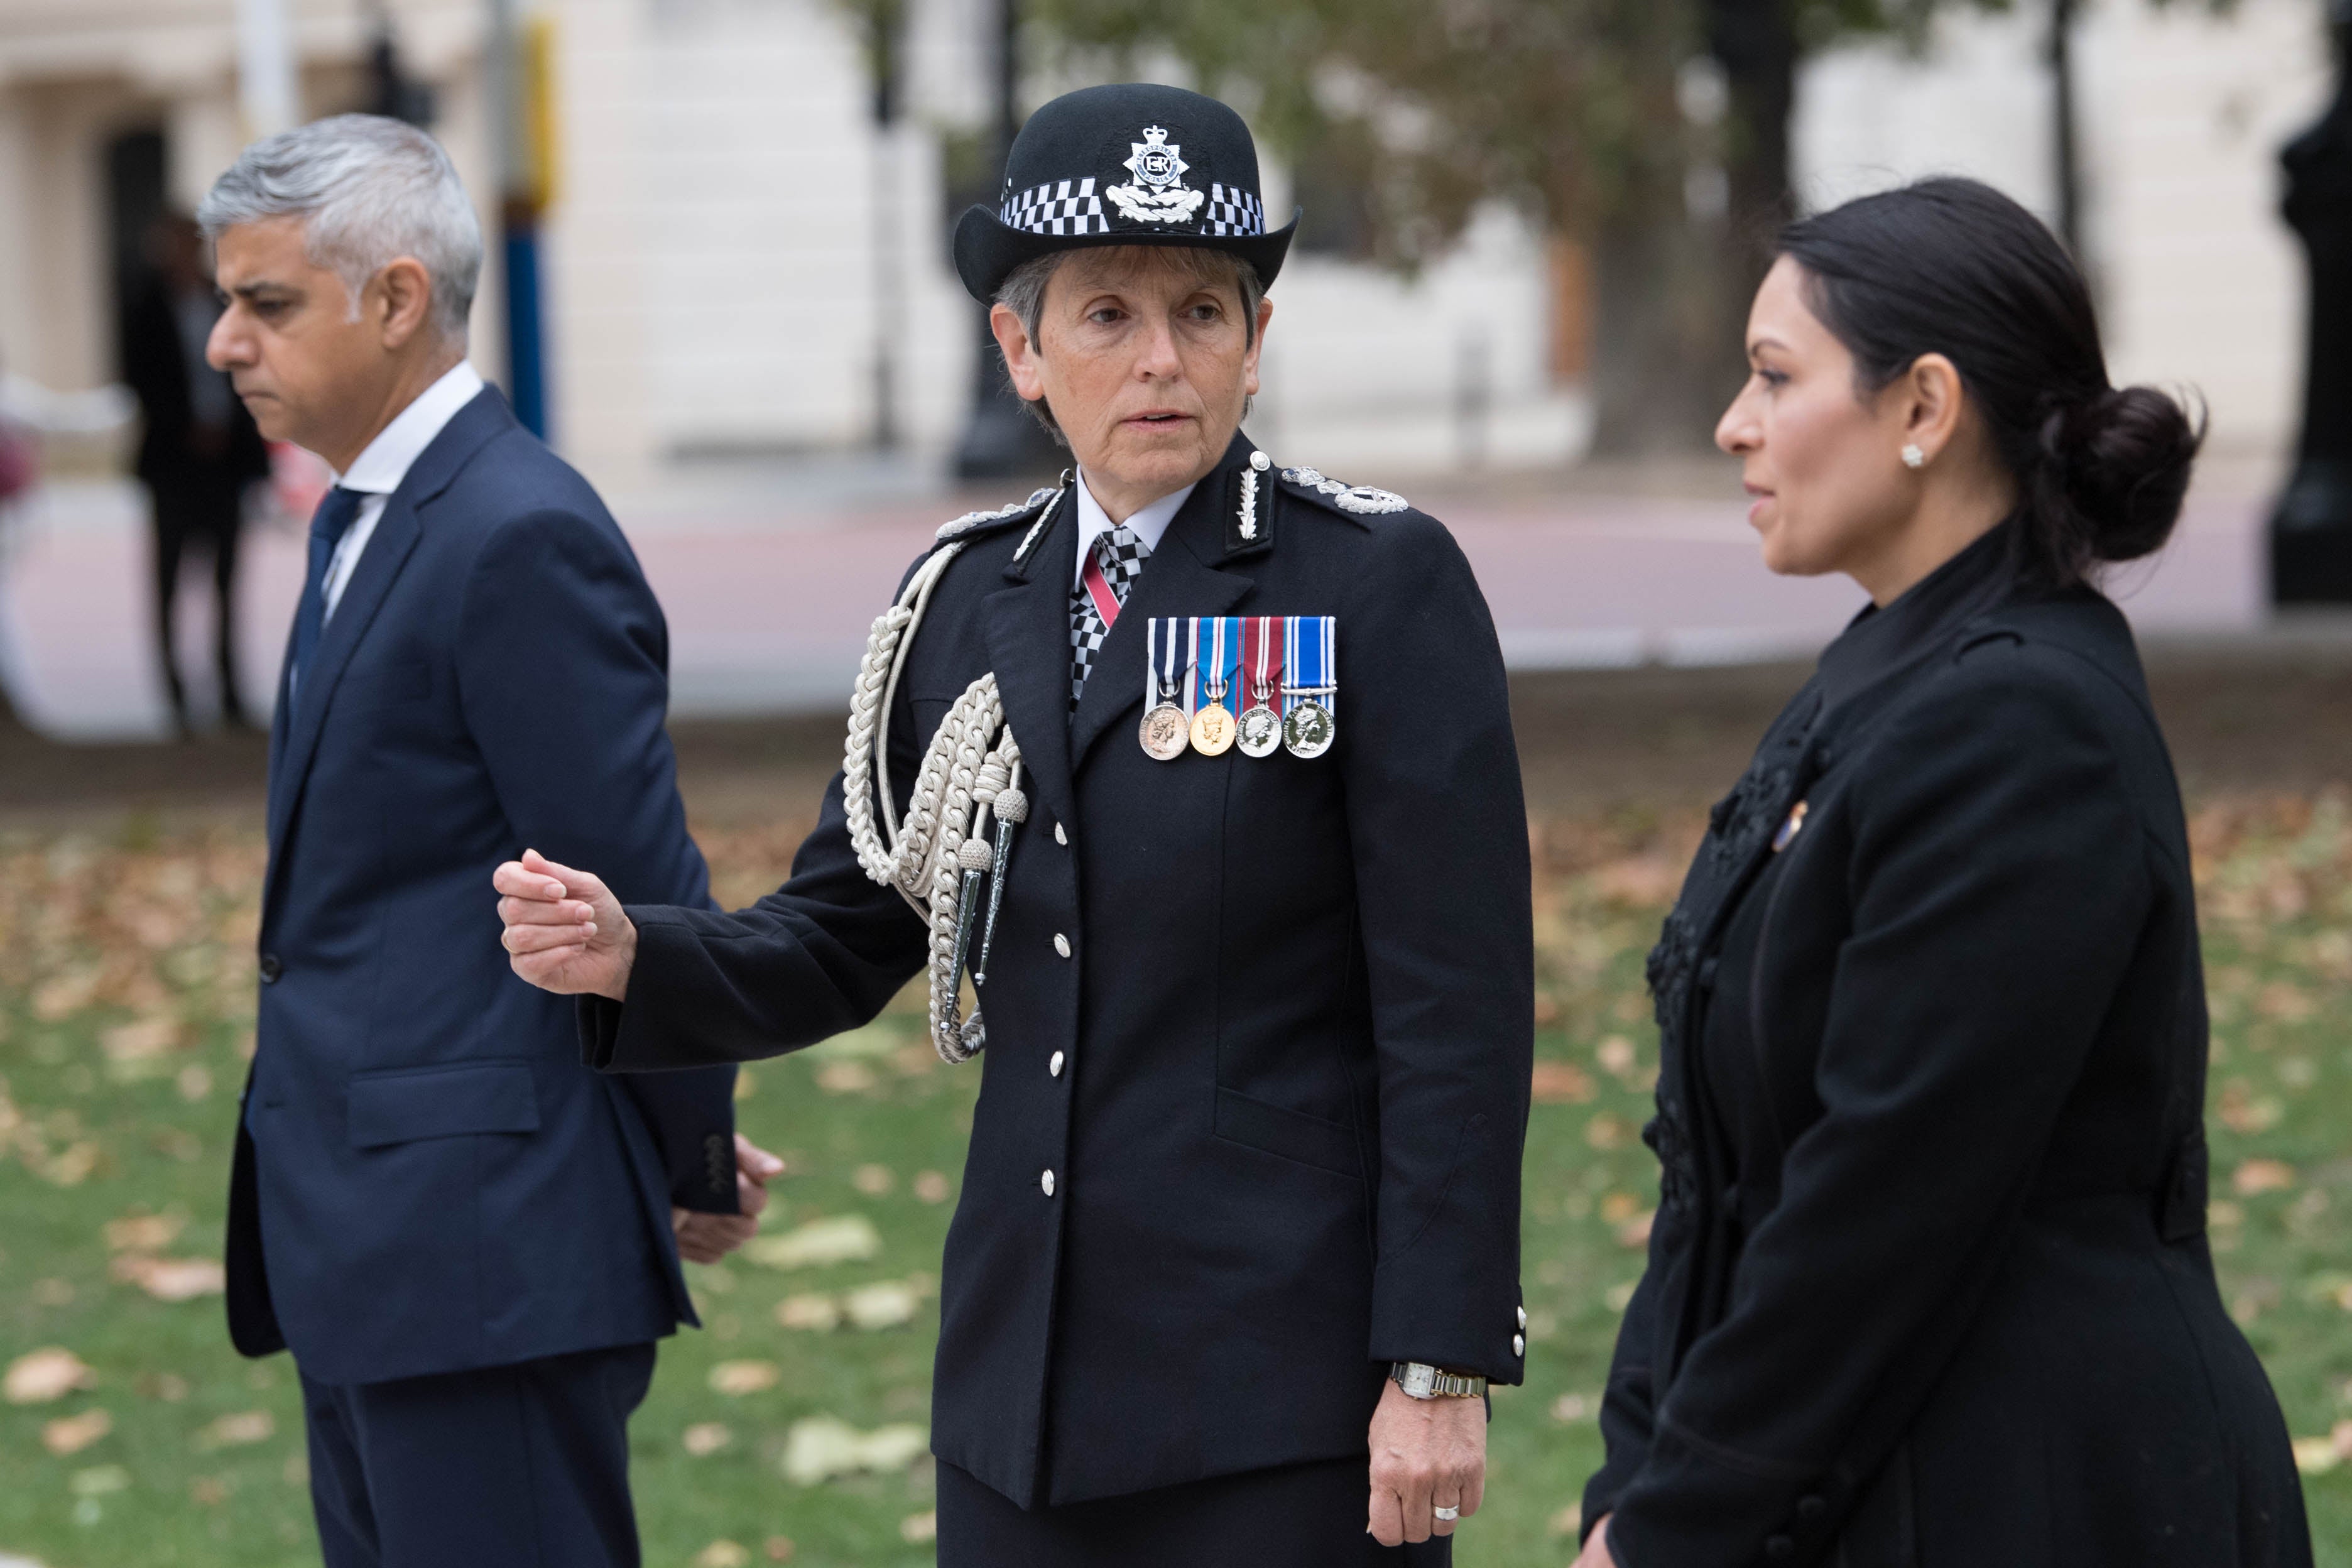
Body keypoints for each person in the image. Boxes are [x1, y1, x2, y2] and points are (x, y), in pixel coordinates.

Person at [494, 82, 1531, 1565]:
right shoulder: (964, 597)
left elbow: (1457, 1014)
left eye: (1203, 309)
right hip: (1024, 1388)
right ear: (1018, 349)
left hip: (1282, 1393)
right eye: (1106, 312)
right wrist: (630, 957)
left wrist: (1433, 1367)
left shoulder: (1371, 583)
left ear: (1254, 338)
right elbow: (856, 919)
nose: (1160, 357)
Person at [1572, 178, 2312, 1567]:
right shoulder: (1886, 671)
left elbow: (1884, 1205)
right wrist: (1637, 1468)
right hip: (1875, 1467)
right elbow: (1720, 1174)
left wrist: (1671, 1525)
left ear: (1923, 407)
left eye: (1775, 376)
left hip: (2037, 1491)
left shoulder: (2023, 723)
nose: (1734, 423)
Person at [199, 114, 776, 1568]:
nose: (222, 342)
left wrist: (690, 1148)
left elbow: (630, 882)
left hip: (485, 1252)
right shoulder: (367, 520)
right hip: (370, 1241)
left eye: (265, 303)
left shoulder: (516, 531)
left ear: (394, 298)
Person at [120, 211, 273, 734]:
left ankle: (230, 692)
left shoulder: (224, 301)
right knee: (168, 583)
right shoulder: (143, 306)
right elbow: (137, 377)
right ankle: (177, 699)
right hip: (172, 465)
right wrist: (184, 426)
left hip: (225, 465)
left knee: (227, 582)